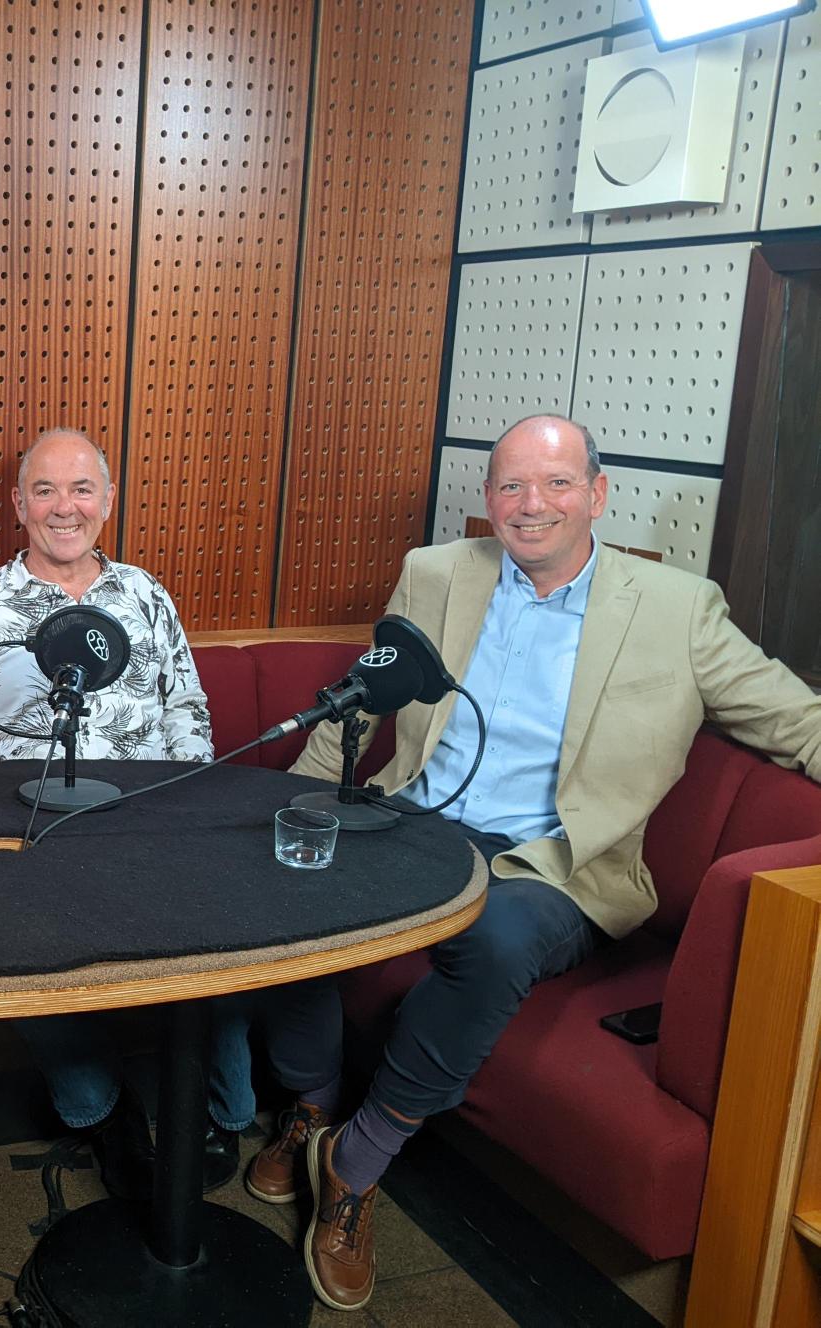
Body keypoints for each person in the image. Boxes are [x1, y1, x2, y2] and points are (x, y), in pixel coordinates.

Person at [245, 415, 821, 1312]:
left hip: (553, 862)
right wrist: (297, 807)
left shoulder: (677, 607)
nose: (531, 505)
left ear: (596, 493)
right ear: (488, 500)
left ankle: (357, 1163)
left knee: (499, 940)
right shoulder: (435, 574)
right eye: (511, 485)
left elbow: (794, 719)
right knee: (292, 889)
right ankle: (313, 1108)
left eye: (556, 484)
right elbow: (363, 701)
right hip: (416, 823)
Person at [0, 426, 251, 1198]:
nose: (64, 508)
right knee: (22, 936)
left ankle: (223, 1114)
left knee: (226, 917)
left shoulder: (146, 596)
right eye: (45, 490)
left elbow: (186, 713)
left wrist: (181, 814)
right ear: (18, 505)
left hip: (145, 825)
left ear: (108, 501)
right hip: (26, 834)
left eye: (82, 489)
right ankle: (100, 1115)